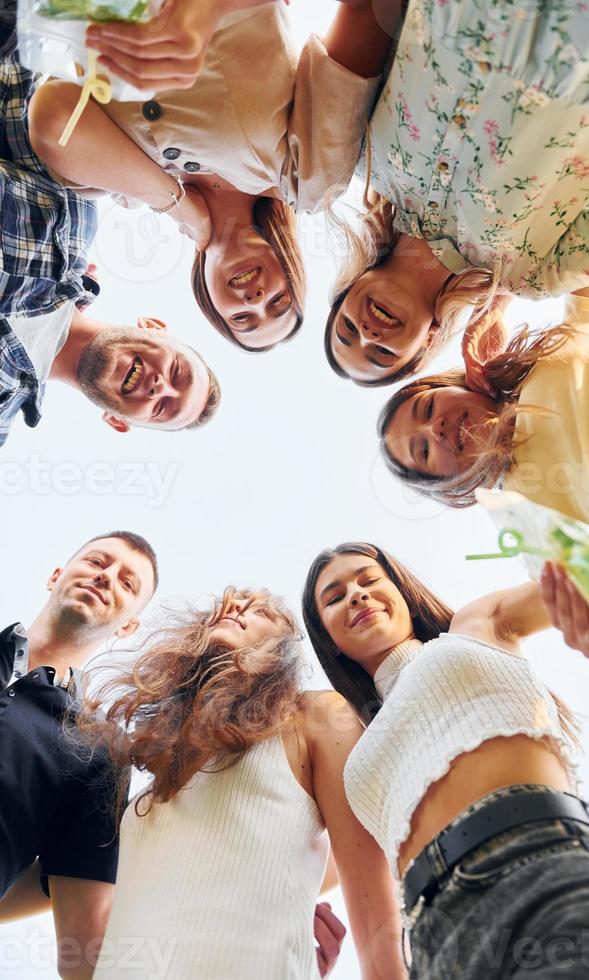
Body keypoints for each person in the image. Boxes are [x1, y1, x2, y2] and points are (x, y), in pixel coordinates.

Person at [302, 541, 589, 978]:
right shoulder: (350, 749)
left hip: (541, 869)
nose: (357, 594)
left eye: (370, 580)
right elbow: (341, 888)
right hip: (436, 938)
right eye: (335, 598)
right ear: (329, 641)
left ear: (403, 594)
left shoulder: (474, 626)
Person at [28, 0, 400, 352]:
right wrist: (204, 12)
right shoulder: (308, 179)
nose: (256, 300)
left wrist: (181, 207)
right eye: (279, 301)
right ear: (291, 269)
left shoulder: (125, 189)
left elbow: (52, 118)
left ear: (206, 295)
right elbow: (369, 11)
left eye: (242, 318)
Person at [77, 587, 406, 980]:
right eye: (230, 601)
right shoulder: (155, 778)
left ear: (283, 651)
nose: (236, 606)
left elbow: (374, 908)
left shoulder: (313, 715)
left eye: (263, 611)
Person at [324, 0, 589, 389]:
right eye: (382, 354)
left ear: (348, 290)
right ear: (426, 341)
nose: (367, 334)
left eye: (346, 328)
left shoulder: (363, 160)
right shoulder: (526, 273)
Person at [0, 6, 219, 446]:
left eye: (163, 408)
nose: (162, 386)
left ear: (117, 422)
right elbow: (18, 57)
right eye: (178, 371)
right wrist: (179, 205)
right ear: (155, 326)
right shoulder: (72, 220)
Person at [378, 281, 589, 553]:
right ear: (448, 482)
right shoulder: (526, 523)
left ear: (455, 386)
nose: (434, 429)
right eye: (423, 450)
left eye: (428, 408)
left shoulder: (562, 343)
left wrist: (493, 306)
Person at [0, 532, 159, 975]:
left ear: (128, 626)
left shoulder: (99, 753)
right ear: (56, 576)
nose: (106, 577)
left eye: (128, 583)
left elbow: (84, 953)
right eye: (97, 561)